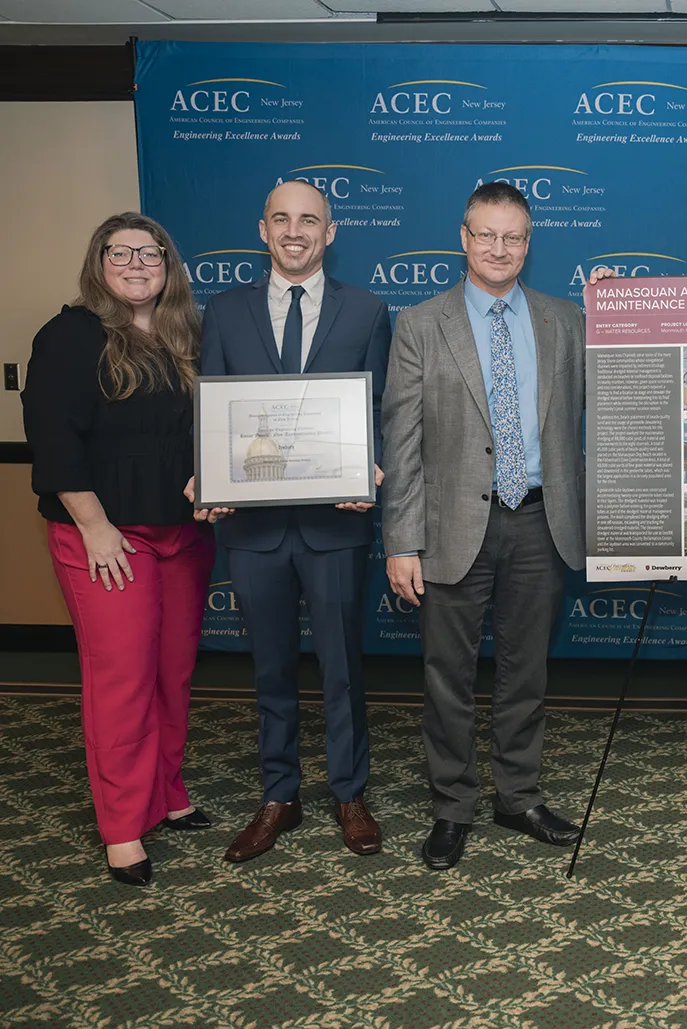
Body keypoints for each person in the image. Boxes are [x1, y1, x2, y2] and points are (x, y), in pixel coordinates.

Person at [383, 182, 607, 869]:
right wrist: (401, 541)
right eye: (486, 235)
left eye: (513, 236)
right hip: (451, 528)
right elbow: (402, 441)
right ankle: (452, 807)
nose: (499, 248)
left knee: (525, 672)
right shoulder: (421, 324)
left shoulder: (566, 319)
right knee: (447, 676)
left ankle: (518, 795)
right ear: (463, 237)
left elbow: (624, 389)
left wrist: (619, 312)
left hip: (541, 523)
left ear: (529, 241)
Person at [193, 180, 391, 863]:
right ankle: (280, 792)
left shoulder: (367, 311)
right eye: (282, 218)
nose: (295, 230)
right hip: (252, 530)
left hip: (336, 527)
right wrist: (205, 473)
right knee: (270, 669)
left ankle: (349, 791)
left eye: (309, 219)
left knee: (343, 668)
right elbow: (212, 410)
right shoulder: (223, 311)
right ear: (263, 228)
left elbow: (382, 412)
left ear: (330, 232)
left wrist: (374, 467)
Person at [22, 213, 216, 887]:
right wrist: (94, 524)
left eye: (151, 251)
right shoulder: (69, 336)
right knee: (122, 682)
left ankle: (166, 791)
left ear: (169, 263)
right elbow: (54, 442)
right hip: (106, 537)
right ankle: (123, 826)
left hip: (183, 533)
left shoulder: (185, 332)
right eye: (121, 252)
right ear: (98, 261)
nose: (137, 263)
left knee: (172, 673)